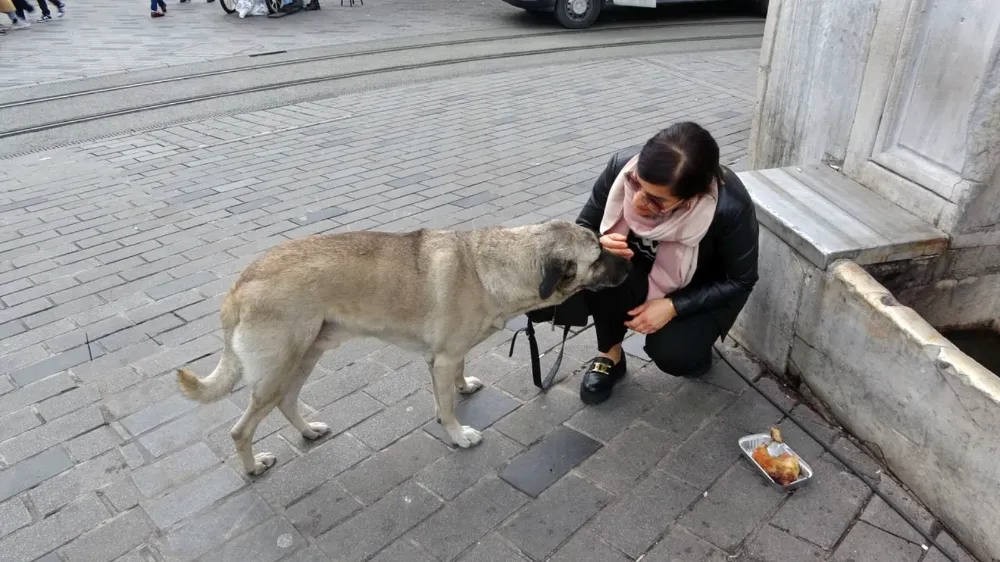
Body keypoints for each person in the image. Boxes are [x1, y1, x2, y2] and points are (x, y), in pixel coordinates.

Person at [574, 121, 759, 405]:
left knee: (675, 354)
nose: (637, 200)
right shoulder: (622, 166)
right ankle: (609, 355)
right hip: (638, 271)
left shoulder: (729, 208)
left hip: (698, 286)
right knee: (603, 267)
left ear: (690, 199)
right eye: (636, 184)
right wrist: (597, 241)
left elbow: (741, 280)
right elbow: (585, 225)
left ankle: (696, 350)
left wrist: (674, 306)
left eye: (656, 201)